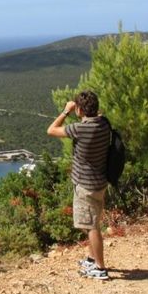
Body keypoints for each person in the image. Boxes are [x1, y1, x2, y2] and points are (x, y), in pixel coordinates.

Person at [47, 90, 110, 280]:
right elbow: (98, 114)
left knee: (91, 226)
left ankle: (100, 268)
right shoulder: (104, 123)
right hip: (99, 181)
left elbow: (51, 130)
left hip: (86, 185)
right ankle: (92, 258)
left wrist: (66, 111)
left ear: (80, 110)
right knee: (89, 222)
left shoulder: (80, 129)